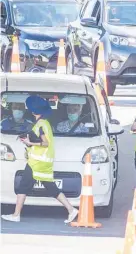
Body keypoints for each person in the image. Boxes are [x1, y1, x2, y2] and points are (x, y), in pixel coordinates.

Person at [1, 95, 78, 223]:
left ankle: (16, 215)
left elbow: (45, 143)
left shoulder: (41, 124)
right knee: (50, 187)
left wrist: (30, 143)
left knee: (24, 186)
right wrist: (28, 143)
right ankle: (71, 209)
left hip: (37, 163)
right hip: (41, 162)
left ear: (33, 111)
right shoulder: (44, 123)